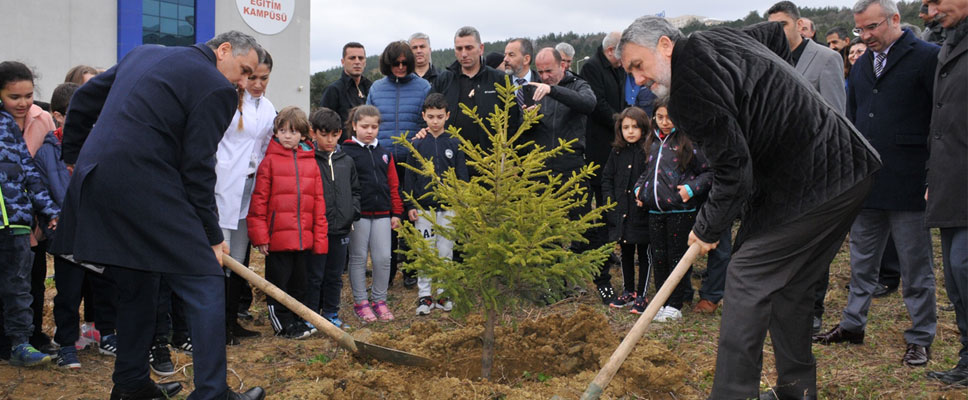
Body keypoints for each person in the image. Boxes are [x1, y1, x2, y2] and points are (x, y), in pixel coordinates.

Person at [617, 15, 881, 399]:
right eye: (630, 73)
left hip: (814, 181)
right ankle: (796, 391)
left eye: (637, 66)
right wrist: (769, 100)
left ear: (665, 45)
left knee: (745, 276)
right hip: (849, 167)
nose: (638, 79)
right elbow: (777, 33)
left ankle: (733, 394)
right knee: (790, 287)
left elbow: (734, 173)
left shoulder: (688, 92)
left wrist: (706, 228)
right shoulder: (716, 37)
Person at [51, 31, 267, 400]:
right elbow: (197, 169)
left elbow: (85, 98)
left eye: (251, 77)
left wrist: (72, 156)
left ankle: (131, 385)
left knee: (140, 282)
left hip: (96, 180)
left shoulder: (144, 53)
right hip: (147, 185)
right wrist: (211, 236)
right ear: (224, 50)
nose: (243, 83)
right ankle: (213, 393)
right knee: (204, 281)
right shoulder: (216, 88)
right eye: (243, 71)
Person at [813, 0, 940, 369]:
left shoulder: (927, 57)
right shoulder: (863, 63)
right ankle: (853, 325)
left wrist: (933, 173)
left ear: (895, 19)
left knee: (916, 267)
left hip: (909, 182)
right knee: (861, 262)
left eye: (871, 27)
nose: (865, 36)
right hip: (867, 183)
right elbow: (852, 118)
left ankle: (921, 336)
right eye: (859, 30)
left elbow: (939, 119)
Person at [247, 106, 328, 340]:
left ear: (303, 134)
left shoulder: (311, 164)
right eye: (282, 130)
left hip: (304, 239)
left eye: (292, 131)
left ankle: (297, 320)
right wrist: (261, 236)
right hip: (278, 240)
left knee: (299, 285)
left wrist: (319, 240)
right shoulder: (269, 162)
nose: (287, 135)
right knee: (277, 285)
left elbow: (318, 203)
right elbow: (259, 201)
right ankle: (281, 325)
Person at [0, 61, 60, 368]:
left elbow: (29, 172)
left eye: (27, 95)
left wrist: (50, 210)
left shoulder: (10, 127)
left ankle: (19, 343)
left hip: (17, 223)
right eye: (14, 97)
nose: (23, 103)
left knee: (19, 286)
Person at [215, 51, 275, 345]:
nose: (258, 84)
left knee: (239, 259)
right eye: (253, 77)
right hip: (223, 187)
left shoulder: (268, 108)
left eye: (264, 78)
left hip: (248, 191)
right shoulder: (226, 102)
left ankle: (231, 320)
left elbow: (265, 148)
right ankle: (214, 327)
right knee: (220, 257)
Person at [923, 0, 968, 388]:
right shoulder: (949, 44)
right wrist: (931, 176)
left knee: (963, 267)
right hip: (951, 180)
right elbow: (939, 118)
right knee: (955, 277)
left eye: (938, 1)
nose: (933, 10)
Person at [633, 100, 712, 323]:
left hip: (681, 210)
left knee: (676, 259)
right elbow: (648, 171)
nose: (665, 122)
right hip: (655, 212)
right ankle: (661, 301)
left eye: (669, 117)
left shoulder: (687, 141)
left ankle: (675, 304)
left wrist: (689, 189)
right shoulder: (653, 141)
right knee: (659, 258)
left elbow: (708, 173)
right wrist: (640, 188)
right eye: (660, 117)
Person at [366, 41, 430, 289]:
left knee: (414, 216)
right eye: (396, 63)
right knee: (388, 218)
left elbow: (430, 119)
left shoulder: (423, 87)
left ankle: (412, 269)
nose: (401, 67)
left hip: (413, 161)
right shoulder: (377, 88)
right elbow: (369, 119)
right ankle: (388, 271)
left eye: (405, 63)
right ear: (388, 63)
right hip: (383, 162)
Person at [405, 93, 467, 316]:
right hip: (424, 209)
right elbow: (409, 177)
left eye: (439, 116)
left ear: (447, 116)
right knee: (425, 251)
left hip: (449, 208)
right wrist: (410, 205)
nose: (435, 121)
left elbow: (462, 176)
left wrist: (461, 203)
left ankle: (443, 292)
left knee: (445, 251)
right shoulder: (417, 143)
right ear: (424, 116)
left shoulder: (454, 143)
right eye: (430, 116)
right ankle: (424, 295)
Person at [342, 105, 403, 323]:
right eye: (364, 126)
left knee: (383, 258)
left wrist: (396, 212)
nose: (369, 131)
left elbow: (393, 185)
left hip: (383, 214)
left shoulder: (384, 154)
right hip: (359, 215)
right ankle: (361, 302)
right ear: (354, 126)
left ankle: (379, 300)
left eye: (374, 127)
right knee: (358, 258)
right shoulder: (346, 152)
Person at [580, 31, 625, 301]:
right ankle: (595, 249)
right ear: (611, 51)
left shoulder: (617, 70)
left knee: (610, 201)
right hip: (597, 146)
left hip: (615, 144)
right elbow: (598, 104)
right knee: (597, 200)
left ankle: (608, 247)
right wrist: (623, 122)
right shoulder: (591, 68)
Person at [308, 107, 360, 329]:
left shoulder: (346, 161)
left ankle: (331, 313)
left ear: (340, 133)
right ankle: (311, 316)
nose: (329, 140)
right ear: (313, 133)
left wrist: (352, 213)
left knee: (335, 275)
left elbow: (355, 190)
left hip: (341, 229)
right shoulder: (309, 160)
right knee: (314, 275)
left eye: (334, 134)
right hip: (317, 230)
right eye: (324, 134)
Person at [602, 107, 651, 314]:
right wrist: (610, 202)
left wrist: (646, 198)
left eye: (635, 127)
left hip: (642, 213)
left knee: (645, 253)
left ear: (644, 128)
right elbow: (607, 178)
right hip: (622, 212)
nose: (630, 132)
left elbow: (653, 179)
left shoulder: (649, 151)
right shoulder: (617, 152)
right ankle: (629, 290)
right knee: (626, 252)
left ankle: (642, 293)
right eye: (625, 127)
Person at [432, 26, 512, 152]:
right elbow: (428, 113)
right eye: (459, 49)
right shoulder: (443, 80)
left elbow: (512, 121)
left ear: (481, 49)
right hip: (450, 157)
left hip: (491, 160)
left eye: (469, 48)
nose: (464, 54)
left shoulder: (499, 80)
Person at [768, 1, 847, 113]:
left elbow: (836, 115)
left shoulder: (827, 58)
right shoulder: (772, 61)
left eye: (783, 25)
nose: (778, 31)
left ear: (799, 24)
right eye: (772, 27)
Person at [320, 42, 372, 134]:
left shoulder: (371, 88)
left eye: (361, 58)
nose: (357, 62)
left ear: (365, 62)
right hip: (344, 146)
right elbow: (323, 124)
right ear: (343, 62)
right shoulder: (334, 90)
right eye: (352, 58)